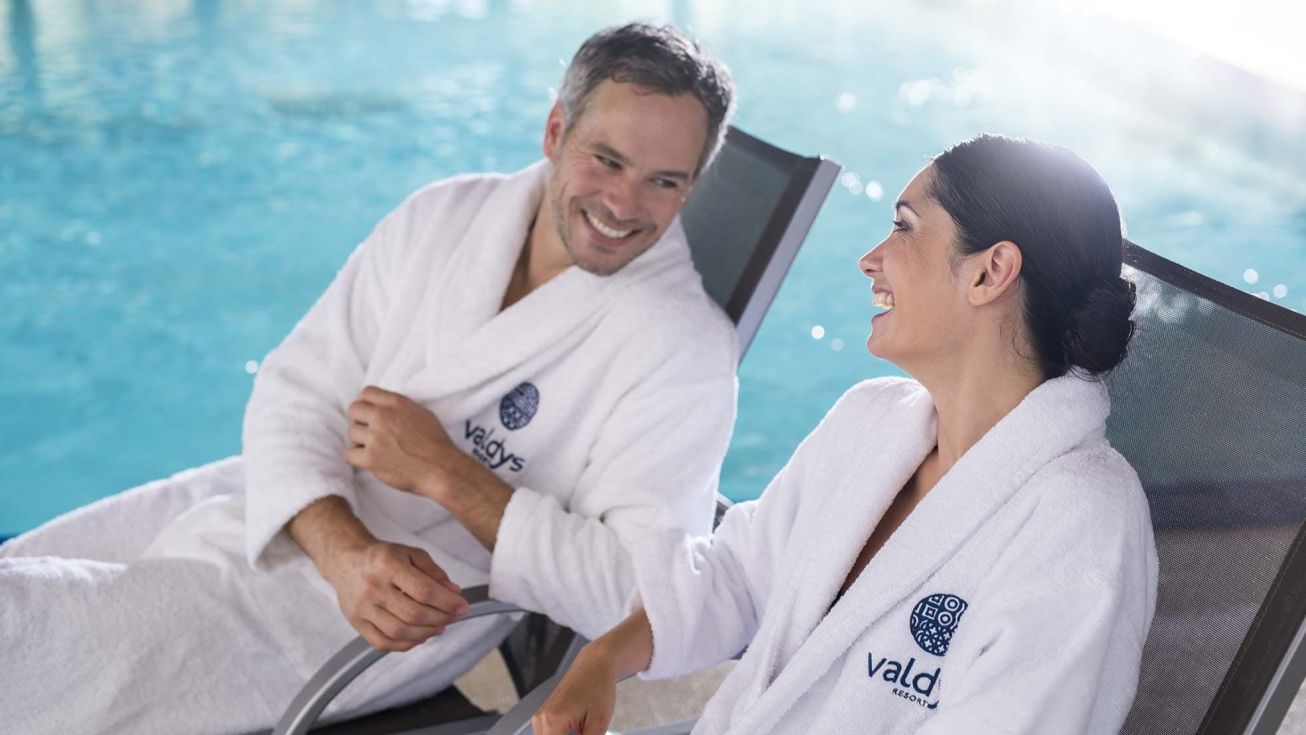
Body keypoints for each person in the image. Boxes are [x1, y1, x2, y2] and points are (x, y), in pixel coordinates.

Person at [0, 23, 739, 734]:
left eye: (663, 181)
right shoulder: (445, 216)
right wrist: (343, 549)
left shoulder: (682, 348)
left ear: (694, 185)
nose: (623, 205)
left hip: (387, 611)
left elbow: (641, 598)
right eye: (606, 160)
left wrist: (446, 473)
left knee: (26, 633)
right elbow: (296, 388)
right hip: (292, 499)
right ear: (555, 131)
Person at [533, 135, 1159, 735]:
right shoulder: (871, 421)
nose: (870, 259)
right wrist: (603, 660)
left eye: (904, 227)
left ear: (989, 273)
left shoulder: (1081, 520)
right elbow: (739, 578)